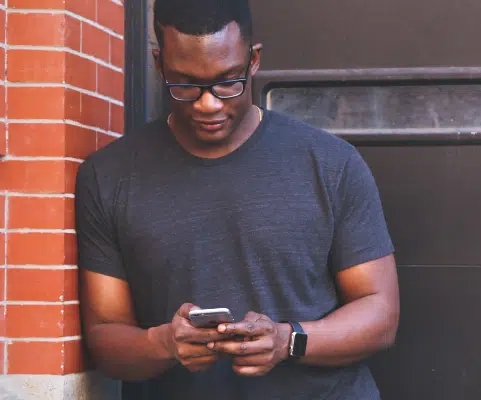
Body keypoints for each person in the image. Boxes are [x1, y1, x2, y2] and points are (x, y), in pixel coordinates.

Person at [74, 0, 399, 398]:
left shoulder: (331, 164)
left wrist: (288, 340)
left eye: (228, 81)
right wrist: (163, 344)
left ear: (254, 61)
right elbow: (105, 338)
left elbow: (381, 313)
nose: (208, 103)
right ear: (159, 66)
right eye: (185, 83)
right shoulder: (108, 177)